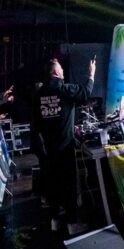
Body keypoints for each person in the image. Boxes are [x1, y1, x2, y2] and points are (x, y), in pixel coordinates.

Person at [34, 57, 95, 235]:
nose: (62, 71)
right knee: (69, 186)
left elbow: (36, 124)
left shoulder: (38, 95)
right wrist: (91, 74)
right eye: (60, 68)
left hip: (47, 150)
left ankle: (55, 222)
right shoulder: (65, 89)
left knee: (52, 185)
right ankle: (72, 224)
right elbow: (86, 92)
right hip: (65, 149)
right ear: (55, 72)